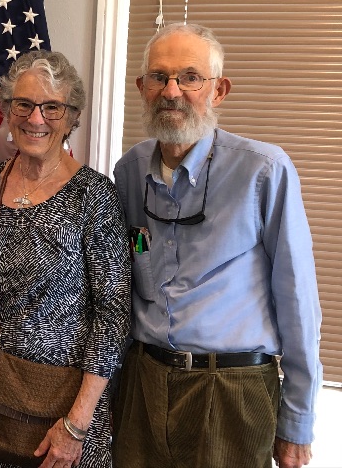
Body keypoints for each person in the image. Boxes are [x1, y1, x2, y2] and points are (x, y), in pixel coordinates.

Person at [112, 23, 322, 468]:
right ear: (141, 87)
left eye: (190, 77)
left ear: (219, 90)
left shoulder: (263, 171)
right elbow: (134, 262)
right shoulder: (129, 171)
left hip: (232, 389)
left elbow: (297, 298)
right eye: (159, 77)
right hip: (145, 383)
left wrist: (298, 419)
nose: (172, 90)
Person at [0, 50, 132, 468]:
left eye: (52, 107)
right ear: (8, 110)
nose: (35, 118)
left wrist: (78, 423)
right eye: (24, 104)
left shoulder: (94, 196)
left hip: (63, 408)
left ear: (71, 117)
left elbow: (113, 314)